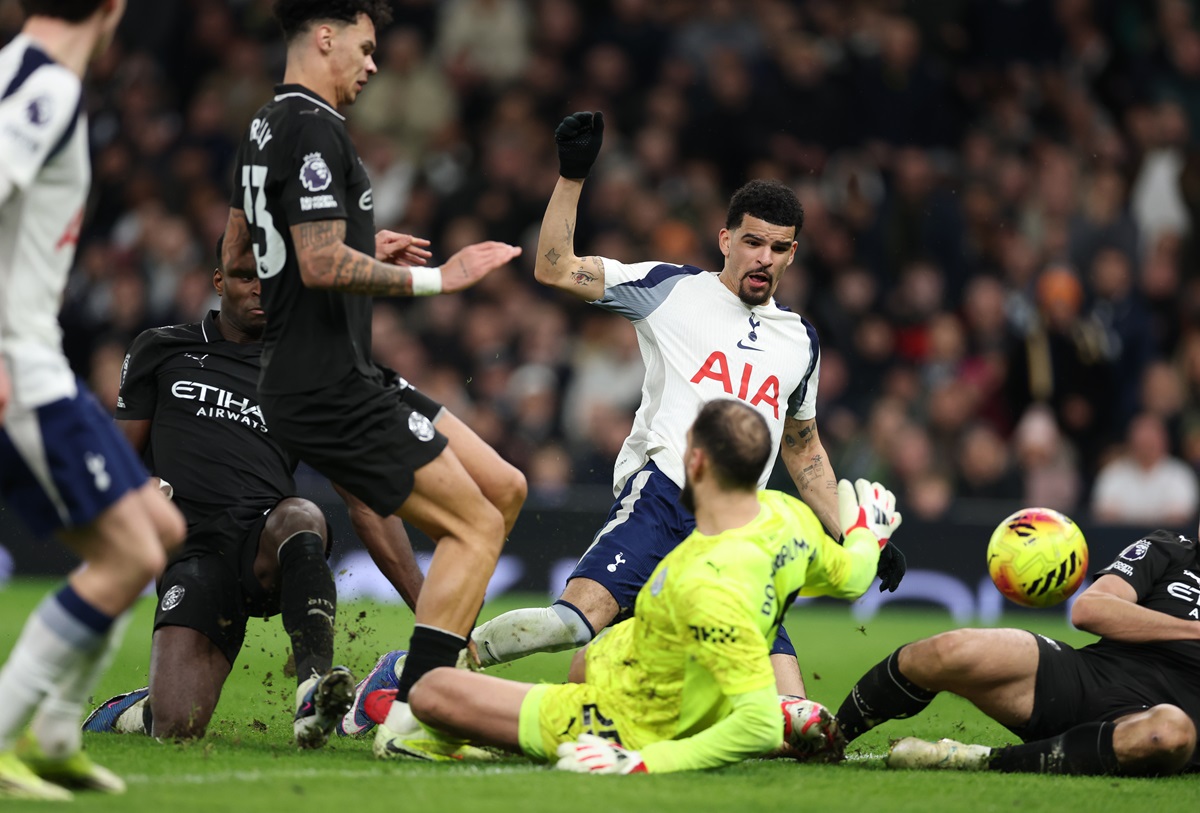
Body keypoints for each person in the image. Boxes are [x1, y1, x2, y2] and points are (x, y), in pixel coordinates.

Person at [468, 112, 907, 692]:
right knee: (570, 626)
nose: (764, 258)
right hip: (663, 496)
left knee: (791, 717)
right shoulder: (668, 289)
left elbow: (804, 451)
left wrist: (859, 534)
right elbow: (554, 269)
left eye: (779, 248)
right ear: (726, 240)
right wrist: (572, 177)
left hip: (740, 533)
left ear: (793, 254)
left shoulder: (801, 340)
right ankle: (423, 669)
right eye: (752, 242)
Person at [221, 0, 526, 755]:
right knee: (476, 523)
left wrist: (359, 241)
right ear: (324, 37)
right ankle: (427, 708)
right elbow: (321, 264)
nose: (373, 62)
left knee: (506, 487)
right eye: (364, 45)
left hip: (340, 372)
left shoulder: (264, 126)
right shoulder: (314, 126)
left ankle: (428, 666)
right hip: (326, 382)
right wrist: (441, 281)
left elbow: (237, 260)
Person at [382, 399, 902, 771]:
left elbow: (755, 726)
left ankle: (467, 733)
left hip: (619, 719)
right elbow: (852, 576)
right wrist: (867, 538)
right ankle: (793, 712)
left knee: (429, 691)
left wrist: (642, 762)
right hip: (636, 669)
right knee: (592, 647)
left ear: (694, 462)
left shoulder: (708, 582)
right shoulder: (787, 518)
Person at [79, 244, 425, 747]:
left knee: (302, 515)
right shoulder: (160, 347)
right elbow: (122, 464)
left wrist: (430, 610)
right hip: (192, 553)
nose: (261, 288)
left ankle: (313, 688)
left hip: (265, 543)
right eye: (247, 277)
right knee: (178, 727)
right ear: (219, 282)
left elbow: (364, 500)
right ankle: (142, 710)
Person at [0, 0, 186, 800]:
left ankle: (51, 733)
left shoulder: (29, 76)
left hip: (43, 361)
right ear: (111, 9)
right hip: (20, 366)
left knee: (161, 531)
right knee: (130, 557)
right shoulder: (44, 88)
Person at [835, 529, 1200, 776]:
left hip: (1172, 717)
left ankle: (981, 759)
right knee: (949, 650)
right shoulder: (1172, 548)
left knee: (1168, 733)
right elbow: (1091, 610)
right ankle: (829, 737)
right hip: (1088, 677)